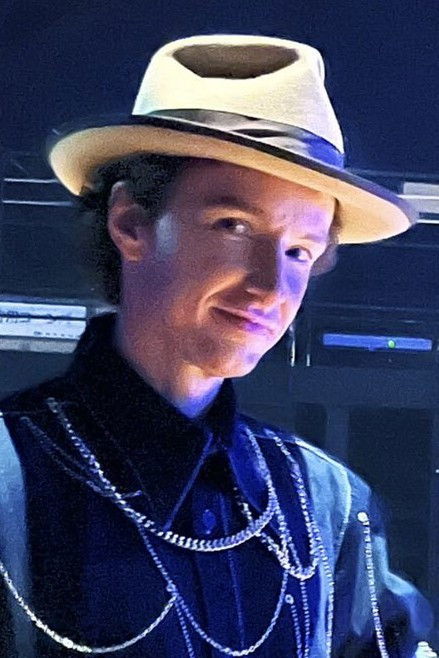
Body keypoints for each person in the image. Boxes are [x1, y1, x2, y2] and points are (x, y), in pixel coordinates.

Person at [0, 34, 436, 657]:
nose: (271, 287)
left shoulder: (333, 506)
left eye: (300, 251)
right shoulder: (12, 477)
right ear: (130, 222)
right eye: (234, 226)